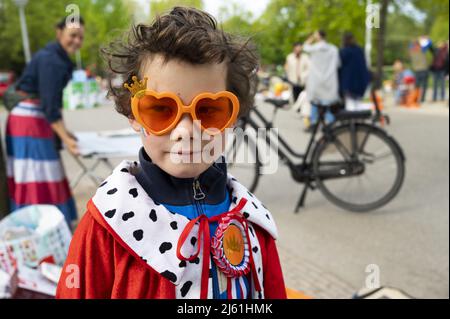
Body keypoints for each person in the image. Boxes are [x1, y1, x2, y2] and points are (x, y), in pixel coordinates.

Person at [56, 7, 286, 299]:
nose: (186, 131)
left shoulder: (253, 222)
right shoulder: (107, 226)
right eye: (161, 109)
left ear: (233, 116)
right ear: (133, 115)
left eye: (209, 110)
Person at [4, 16, 83, 225]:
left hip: (30, 118)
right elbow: (50, 106)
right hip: (29, 121)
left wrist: (66, 133)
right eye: (73, 35)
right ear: (59, 33)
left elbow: (53, 104)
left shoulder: (56, 57)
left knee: (38, 173)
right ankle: (35, 225)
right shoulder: (52, 60)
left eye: (80, 37)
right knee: (37, 173)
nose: (77, 41)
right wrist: (67, 141)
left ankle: (43, 223)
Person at [303, 30, 340, 128]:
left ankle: (314, 122)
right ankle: (330, 123)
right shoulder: (333, 49)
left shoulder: (313, 48)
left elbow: (305, 47)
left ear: (318, 36)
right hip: (330, 81)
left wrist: (310, 39)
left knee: (315, 103)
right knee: (328, 103)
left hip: (316, 81)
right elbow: (338, 64)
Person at [338, 32, 371, 111]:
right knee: (357, 103)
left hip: (348, 82)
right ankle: (357, 120)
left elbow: (339, 66)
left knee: (350, 104)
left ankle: (351, 121)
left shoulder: (344, 51)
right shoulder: (359, 50)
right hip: (360, 82)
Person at [409, 36, 433, 103]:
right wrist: (426, 38)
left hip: (416, 70)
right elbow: (429, 43)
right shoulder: (422, 50)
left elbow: (410, 44)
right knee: (424, 85)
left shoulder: (411, 51)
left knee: (417, 85)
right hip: (424, 70)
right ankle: (422, 99)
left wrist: (417, 39)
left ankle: (415, 98)